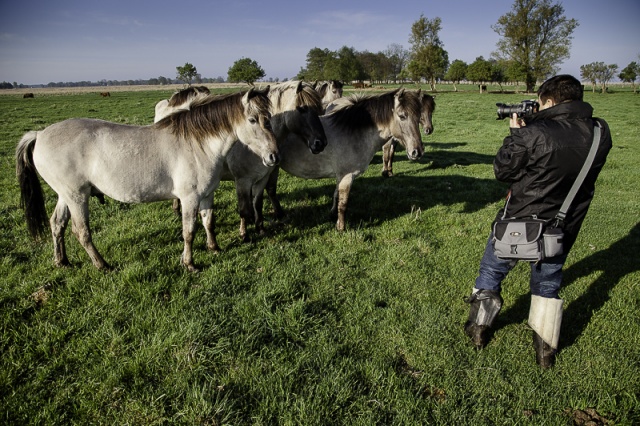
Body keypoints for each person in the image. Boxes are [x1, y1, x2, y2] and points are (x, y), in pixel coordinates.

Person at [464, 75, 612, 368]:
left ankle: (479, 330)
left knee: (492, 271)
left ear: (549, 100)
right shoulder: (599, 131)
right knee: (548, 284)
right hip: (563, 226)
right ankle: (545, 352)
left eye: (541, 102)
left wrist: (516, 135)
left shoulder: (535, 133)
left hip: (517, 223)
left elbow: (503, 170)